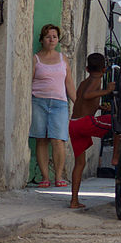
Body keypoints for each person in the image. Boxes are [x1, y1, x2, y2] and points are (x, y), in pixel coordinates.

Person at [30, 24, 77, 188]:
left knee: (58, 140)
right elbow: (29, 81)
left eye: (55, 37)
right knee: (41, 139)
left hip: (59, 104)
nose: (52, 40)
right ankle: (45, 177)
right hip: (39, 102)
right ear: (42, 40)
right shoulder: (35, 59)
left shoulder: (63, 59)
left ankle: (58, 177)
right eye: (48, 37)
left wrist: (77, 103)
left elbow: (69, 83)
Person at [68, 53, 115, 209]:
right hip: (84, 123)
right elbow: (89, 95)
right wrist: (106, 91)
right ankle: (115, 157)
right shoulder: (97, 80)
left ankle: (74, 200)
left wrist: (99, 106)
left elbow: (83, 100)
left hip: (74, 124)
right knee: (118, 121)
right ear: (104, 69)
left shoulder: (84, 81)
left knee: (79, 163)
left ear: (87, 68)